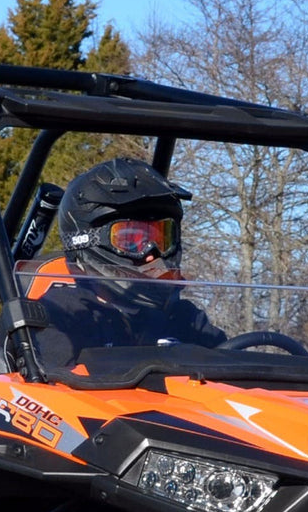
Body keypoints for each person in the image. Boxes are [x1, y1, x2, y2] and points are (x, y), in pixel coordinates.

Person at [33, 157, 225, 367]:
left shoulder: (183, 319)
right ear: (87, 240)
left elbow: (232, 365)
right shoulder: (62, 316)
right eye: (130, 240)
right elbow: (56, 383)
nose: (151, 254)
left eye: (162, 239)